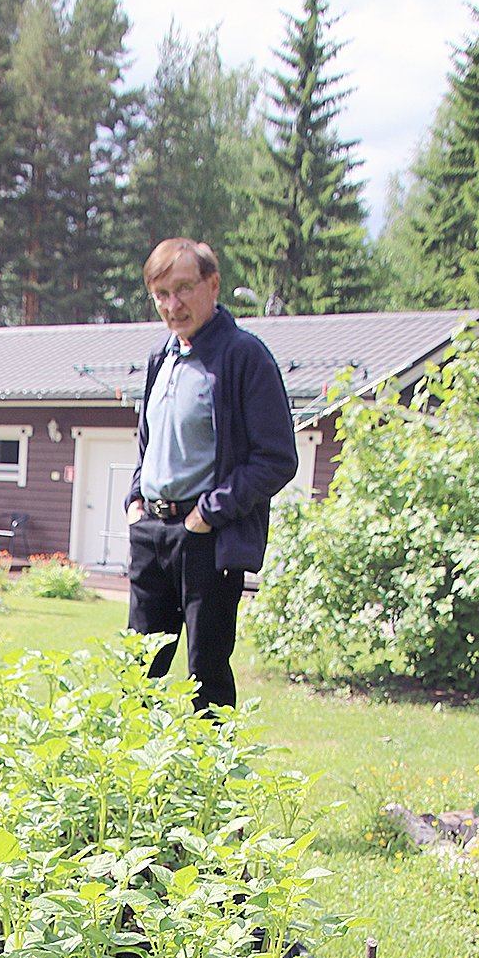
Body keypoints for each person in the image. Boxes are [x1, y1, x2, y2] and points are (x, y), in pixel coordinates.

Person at [125, 237, 298, 710]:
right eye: (161, 294)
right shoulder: (162, 357)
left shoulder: (245, 357)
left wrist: (208, 512)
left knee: (207, 682)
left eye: (183, 289)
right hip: (151, 534)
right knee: (137, 676)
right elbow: (150, 440)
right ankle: (131, 781)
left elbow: (277, 458)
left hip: (207, 539)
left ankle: (208, 784)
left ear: (213, 284)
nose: (172, 305)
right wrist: (137, 498)